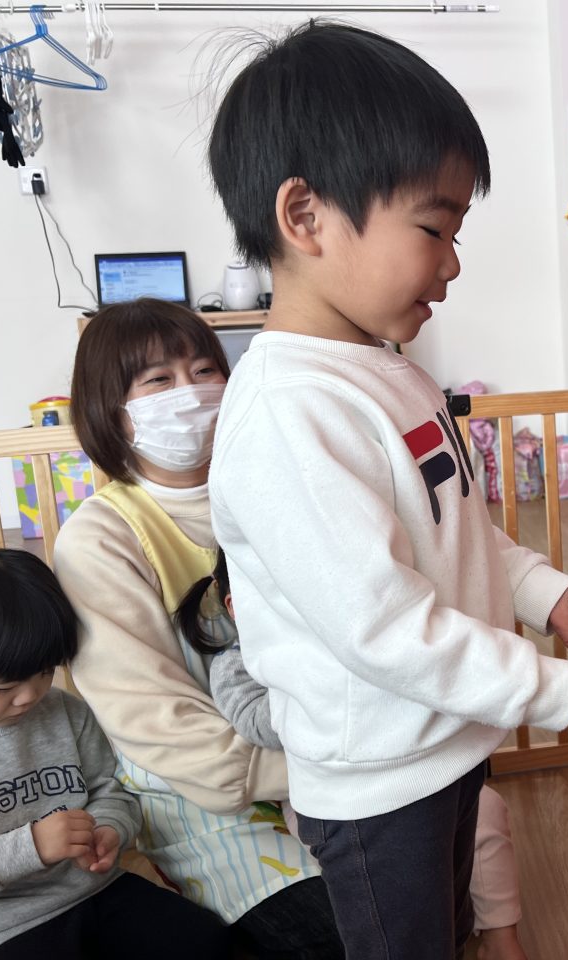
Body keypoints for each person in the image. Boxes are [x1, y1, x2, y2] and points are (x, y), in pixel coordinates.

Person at [205, 21, 568, 958]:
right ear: (305, 216)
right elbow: (385, 627)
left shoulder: (391, 372)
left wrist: (543, 592)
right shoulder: (289, 412)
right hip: (377, 782)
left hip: (443, 744)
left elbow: (457, 533)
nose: (451, 262)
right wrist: (567, 693)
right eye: (433, 229)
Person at [53, 299, 341, 957]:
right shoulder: (101, 538)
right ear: (108, 408)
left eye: (205, 370)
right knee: (344, 934)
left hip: (332, 754)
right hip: (209, 797)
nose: (189, 393)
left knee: (433, 902)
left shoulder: (276, 490)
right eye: (158, 380)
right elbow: (157, 723)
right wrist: (319, 766)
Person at [176, 551, 531, 959]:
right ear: (237, 608)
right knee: (391, 874)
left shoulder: (351, 632)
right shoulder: (235, 665)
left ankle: (501, 937)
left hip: (405, 767)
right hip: (324, 795)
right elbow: (254, 721)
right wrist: (324, 688)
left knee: (485, 810)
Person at [0, 550, 229, 960]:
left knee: (205, 941)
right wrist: (31, 846)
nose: (30, 695)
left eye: (45, 672)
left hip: (93, 891)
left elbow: (110, 790)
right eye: (3, 687)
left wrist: (109, 828)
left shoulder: (65, 711)